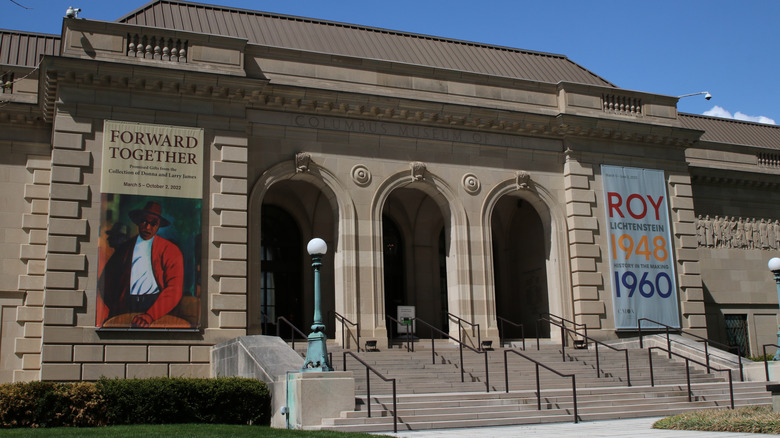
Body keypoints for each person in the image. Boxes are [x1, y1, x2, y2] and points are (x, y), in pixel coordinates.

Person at [98, 201, 183, 327]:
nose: (148, 227)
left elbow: (174, 289)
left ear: (158, 225)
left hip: (156, 305)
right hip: (127, 305)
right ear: (138, 221)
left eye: (153, 224)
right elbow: (105, 281)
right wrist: (116, 306)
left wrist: (151, 314)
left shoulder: (170, 250)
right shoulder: (124, 248)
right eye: (144, 222)